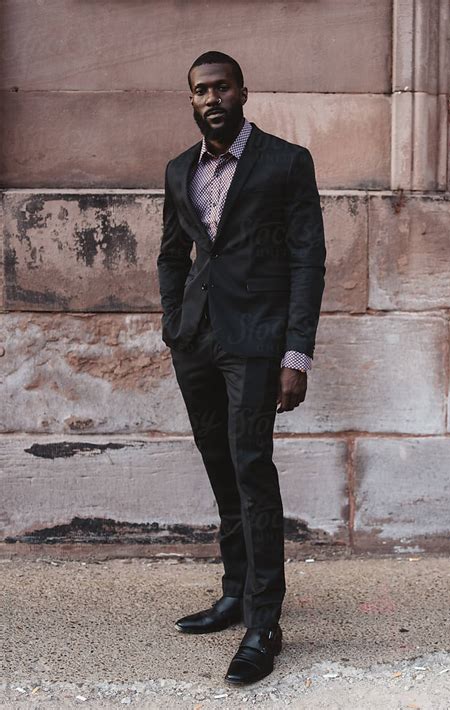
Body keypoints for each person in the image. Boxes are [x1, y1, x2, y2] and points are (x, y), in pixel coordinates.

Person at [157, 50, 326, 685]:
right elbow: (172, 255)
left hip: (257, 344)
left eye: (222, 87)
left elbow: (310, 260)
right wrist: (174, 324)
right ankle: (234, 592)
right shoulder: (180, 171)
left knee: (251, 468)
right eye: (201, 91)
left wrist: (296, 354)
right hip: (197, 342)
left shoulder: (286, 162)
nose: (212, 99)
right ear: (193, 100)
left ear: (243, 92)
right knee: (220, 466)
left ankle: (264, 623)